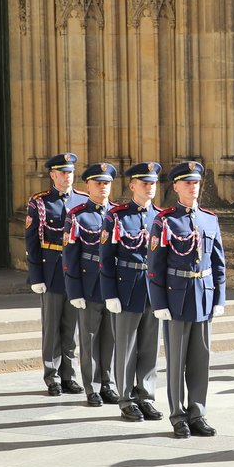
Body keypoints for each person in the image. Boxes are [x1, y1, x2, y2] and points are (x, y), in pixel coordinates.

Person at [147, 161, 227, 439]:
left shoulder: (209, 219)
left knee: (200, 360)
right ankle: (178, 416)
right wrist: (159, 303)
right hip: (176, 298)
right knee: (177, 361)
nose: (193, 187)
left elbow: (219, 263)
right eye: (187, 183)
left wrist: (220, 297)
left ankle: (198, 413)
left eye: (196, 183)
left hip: (203, 297)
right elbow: (154, 264)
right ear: (176, 187)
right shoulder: (165, 220)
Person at [101, 161, 164, 422]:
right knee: (126, 347)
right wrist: (110, 293)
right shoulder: (116, 216)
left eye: (153, 183)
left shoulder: (161, 217)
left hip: (153, 289)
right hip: (127, 286)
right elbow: (105, 258)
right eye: (145, 183)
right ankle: (126, 398)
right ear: (132, 185)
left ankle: (146, 396)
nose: (150, 188)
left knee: (149, 346)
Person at [26, 153, 88, 396]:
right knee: (51, 326)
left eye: (70, 172)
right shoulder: (40, 202)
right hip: (51, 269)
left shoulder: (83, 201)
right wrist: (36, 276)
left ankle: (69, 375)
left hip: (75, 272)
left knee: (71, 327)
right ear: (52, 175)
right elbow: (32, 242)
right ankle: (52, 376)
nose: (67, 176)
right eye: (62, 173)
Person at [63, 162, 119, 408]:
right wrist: (74, 290)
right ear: (87, 185)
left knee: (110, 338)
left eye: (106, 183)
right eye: (98, 183)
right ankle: (91, 387)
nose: (103, 187)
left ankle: (107, 383)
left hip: (114, 285)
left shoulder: (118, 213)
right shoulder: (77, 215)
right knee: (89, 338)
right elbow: (70, 256)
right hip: (90, 284)